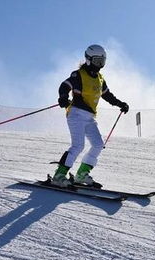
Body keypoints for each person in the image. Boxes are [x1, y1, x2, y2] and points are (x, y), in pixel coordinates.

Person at [52, 44, 129, 188]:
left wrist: (120, 104)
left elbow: (107, 95)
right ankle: (59, 176)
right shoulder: (78, 75)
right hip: (76, 113)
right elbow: (64, 86)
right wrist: (63, 97)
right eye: (97, 61)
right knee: (78, 146)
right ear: (88, 59)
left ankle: (81, 174)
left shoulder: (100, 78)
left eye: (102, 61)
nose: (99, 65)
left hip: (90, 117)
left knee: (98, 145)